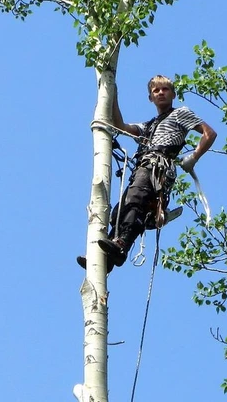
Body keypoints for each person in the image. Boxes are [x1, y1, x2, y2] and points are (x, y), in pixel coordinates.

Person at [78, 75, 217, 273]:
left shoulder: (180, 114)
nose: (161, 93)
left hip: (157, 166)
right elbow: (121, 127)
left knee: (135, 200)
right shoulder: (149, 126)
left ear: (173, 94)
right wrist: (112, 95)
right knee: (120, 211)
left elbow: (209, 133)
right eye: (156, 91)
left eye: (165, 90)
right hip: (143, 167)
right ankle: (104, 259)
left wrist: (194, 157)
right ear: (150, 98)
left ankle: (121, 245)